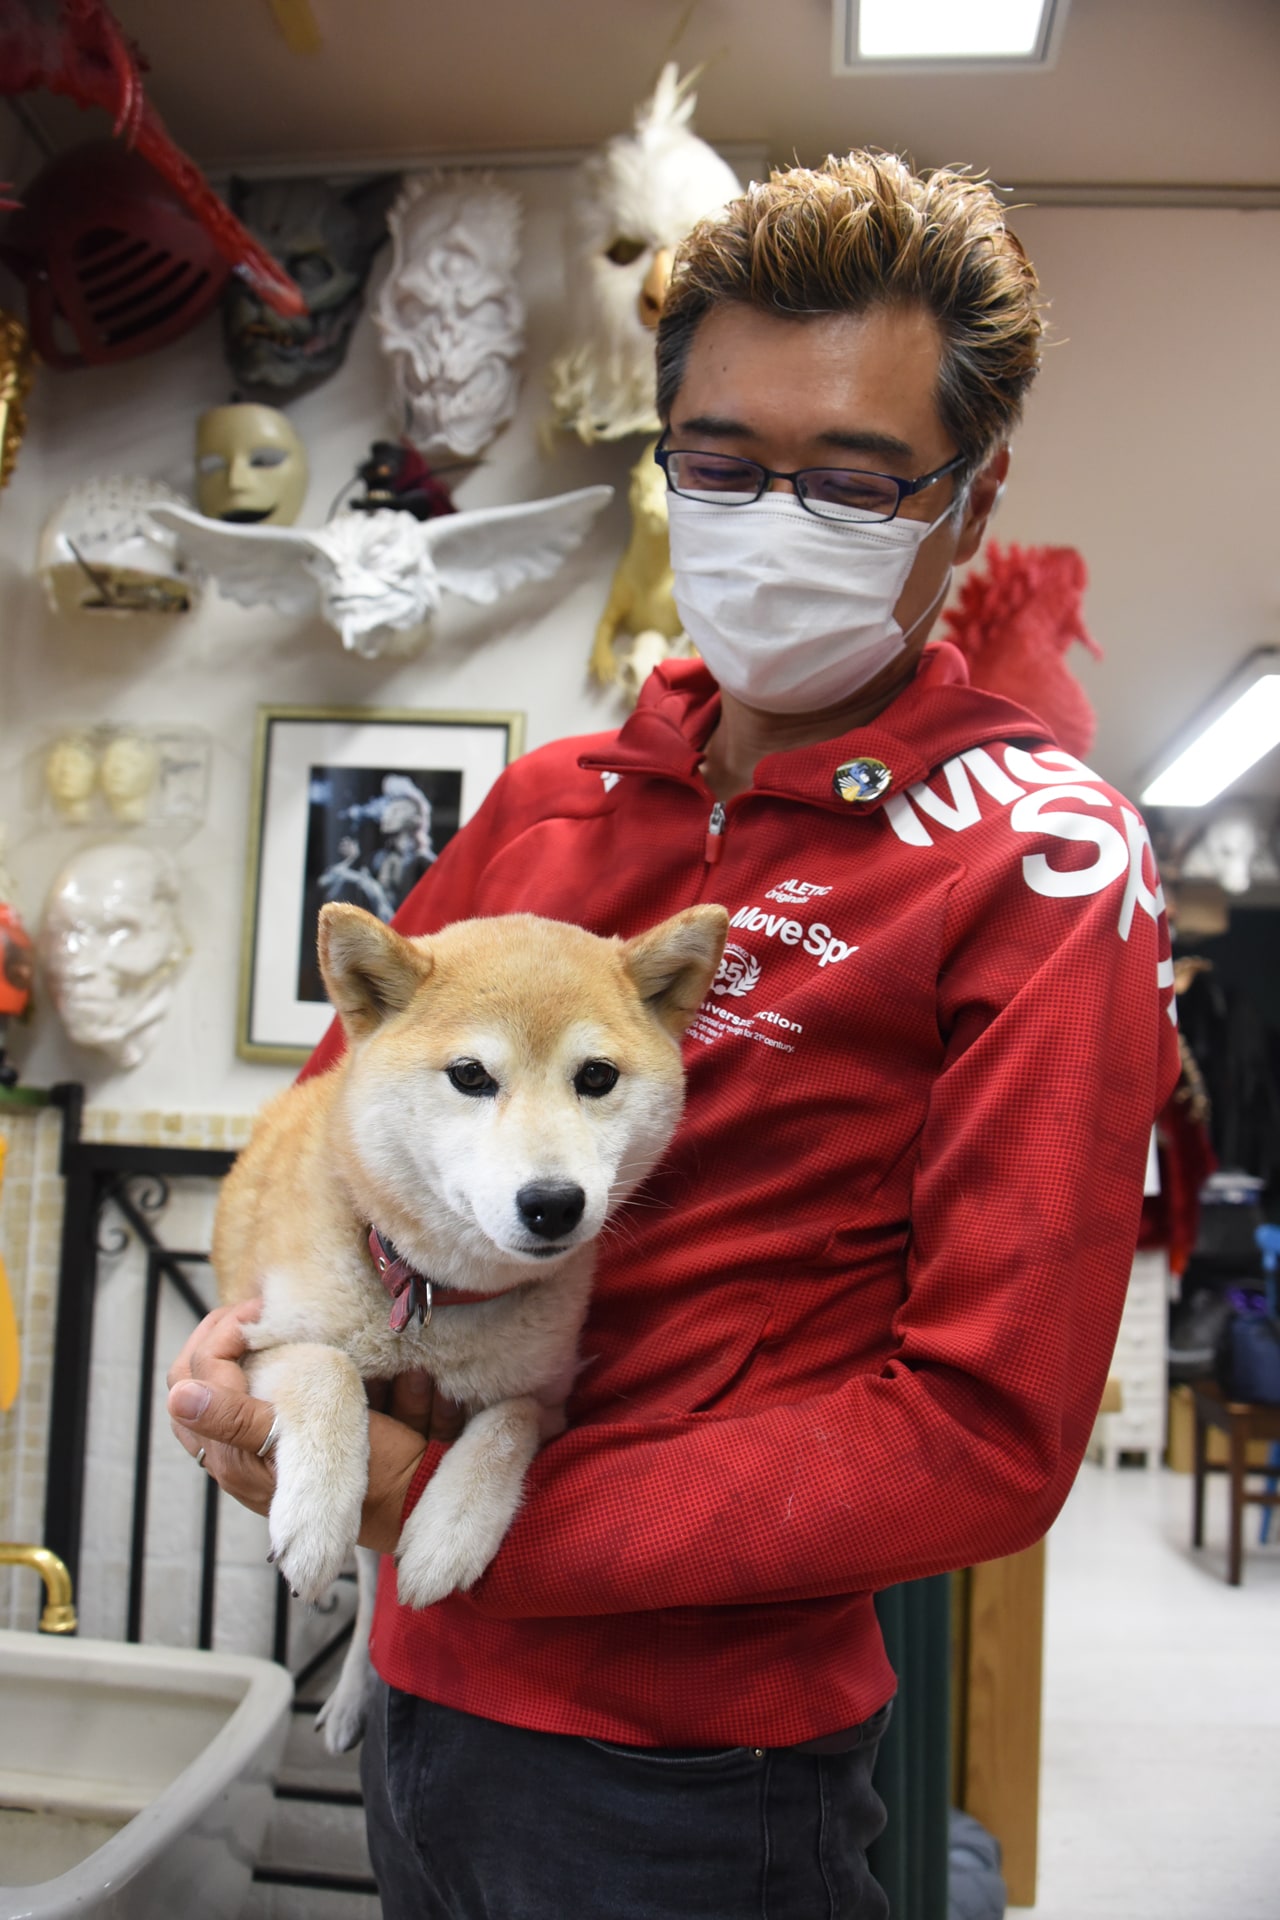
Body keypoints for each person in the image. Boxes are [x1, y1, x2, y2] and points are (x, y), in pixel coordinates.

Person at [169, 153, 1180, 1919]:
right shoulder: (557, 802)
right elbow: (345, 1120)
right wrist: (260, 1345)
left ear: (971, 496)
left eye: (855, 481)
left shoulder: (1040, 856)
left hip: (694, 1770)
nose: (773, 519)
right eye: (720, 466)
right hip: (420, 1684)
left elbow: (985, 1431)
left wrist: (468, 1505)